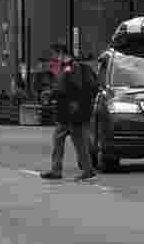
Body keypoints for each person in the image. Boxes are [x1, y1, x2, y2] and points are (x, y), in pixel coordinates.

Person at [41, 54, 101, 182]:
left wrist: (51, 95)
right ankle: (63, 169)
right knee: (71, 141)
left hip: (70, 113)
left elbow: (67, 88)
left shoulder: (69, 69)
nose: (52, 66)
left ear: (60, 55)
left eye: (53, 60)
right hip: (73, 113)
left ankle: (84, 170)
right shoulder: (77, 68)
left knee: (73, 142)